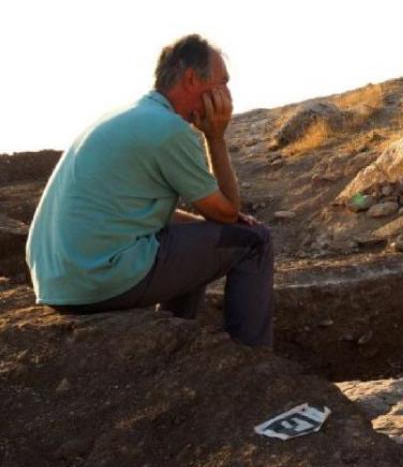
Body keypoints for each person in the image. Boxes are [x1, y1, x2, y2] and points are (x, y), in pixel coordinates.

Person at [25, 34, 273, 347]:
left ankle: (174, 340)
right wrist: (216, 138)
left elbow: (135, 213)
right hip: (99, 280)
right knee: (255, 240)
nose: (227, 94)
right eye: (222, 82)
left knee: (199, 240)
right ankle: (253, 360)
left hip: (59, 283)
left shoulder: (127, 117)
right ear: (192, 79)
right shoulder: (169, 130)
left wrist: (207, 227)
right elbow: (227, 211)